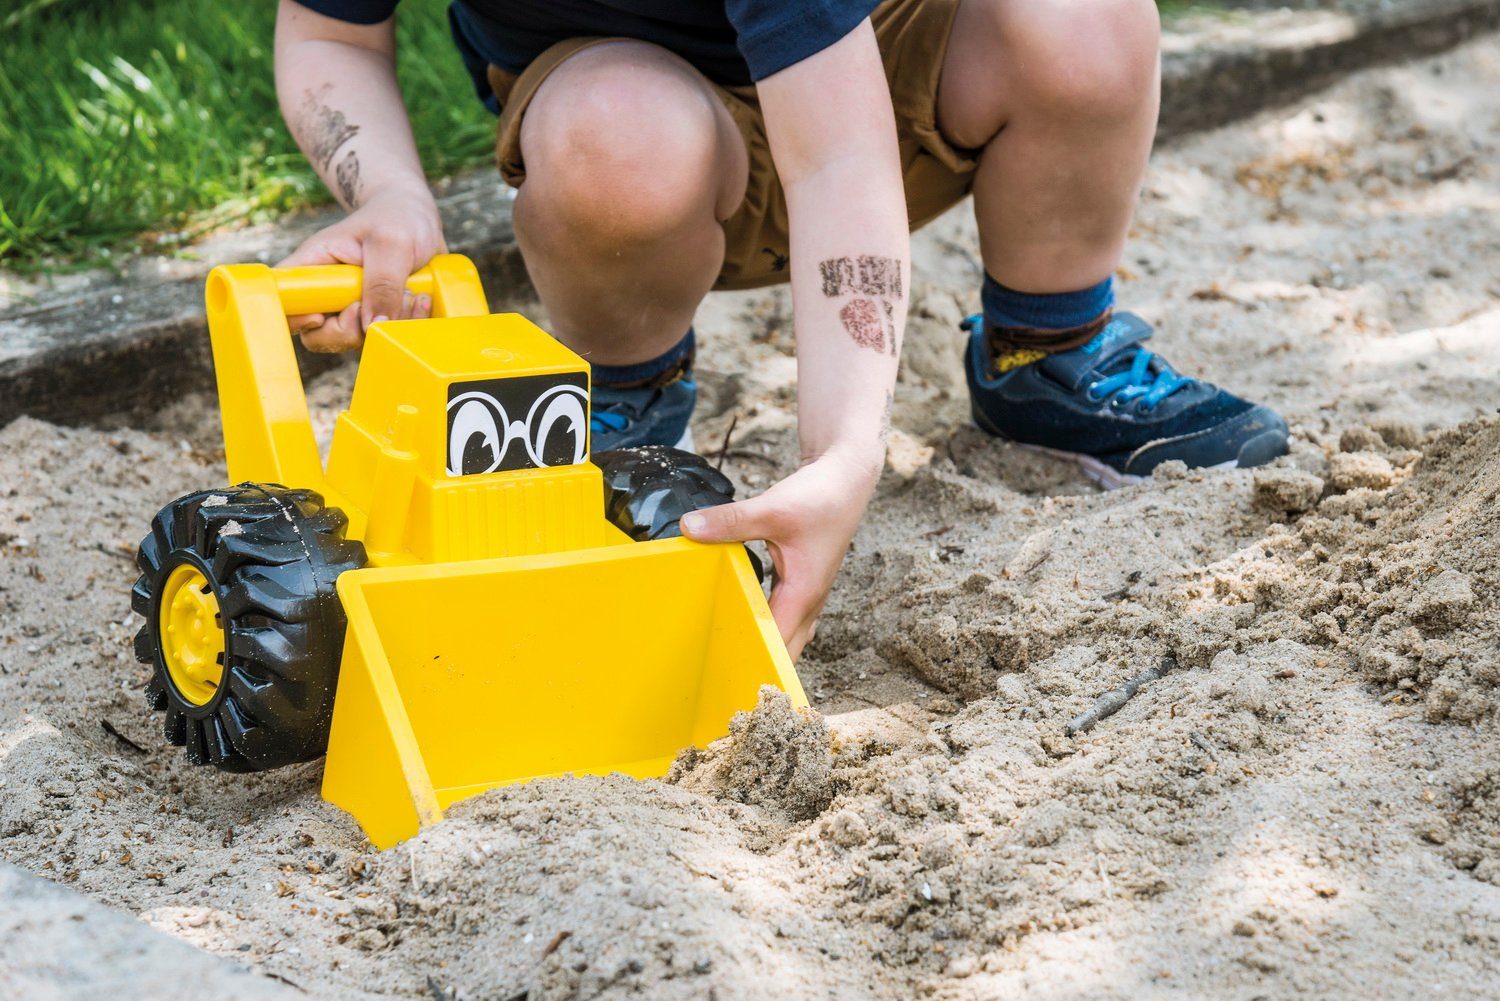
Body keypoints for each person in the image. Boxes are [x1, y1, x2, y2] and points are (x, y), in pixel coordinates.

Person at [273, 0, 1289, 658]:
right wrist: (391, 193)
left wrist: (842, 455)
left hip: (870, 89)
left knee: (1085, 23)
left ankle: (1048, 348)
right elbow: (328, 35)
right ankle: (624, 390)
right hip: (632, 136)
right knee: (616, 137)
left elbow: (840, 161)